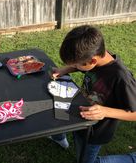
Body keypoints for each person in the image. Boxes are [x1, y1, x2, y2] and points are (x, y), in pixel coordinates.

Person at [51, 25, 136, 163]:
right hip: (82, 120)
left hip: (96, 131)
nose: (76, 67)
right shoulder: (96, 55)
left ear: (92, 61)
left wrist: (105, 111)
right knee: (80, 145)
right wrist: (65, 70)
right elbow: (81, 65)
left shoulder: (122, 78)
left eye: (77, 65)